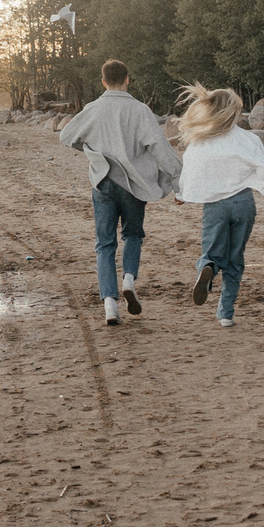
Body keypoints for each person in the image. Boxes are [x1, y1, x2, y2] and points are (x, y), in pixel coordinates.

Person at [171, 82, 264, 327]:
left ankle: (209, 269)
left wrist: (182, 195)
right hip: (243, 203)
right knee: (235, 258)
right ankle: (225, 313)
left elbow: (191, 170)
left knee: (212, 251)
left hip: (215, 206)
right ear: (233, 112)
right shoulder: (247, 138)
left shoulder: (200, 140)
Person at [58, 58, 179, 326]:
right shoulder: (140, 110)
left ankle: (110, 305)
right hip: (134, 184)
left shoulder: (93, 108)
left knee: (104, 244)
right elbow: (159, 147)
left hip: (103, 182)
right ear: (127, 80)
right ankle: (128, 280)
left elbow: (66, 136)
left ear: (103, 81)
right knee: (133, 235)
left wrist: (93, 153)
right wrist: (178, 179)